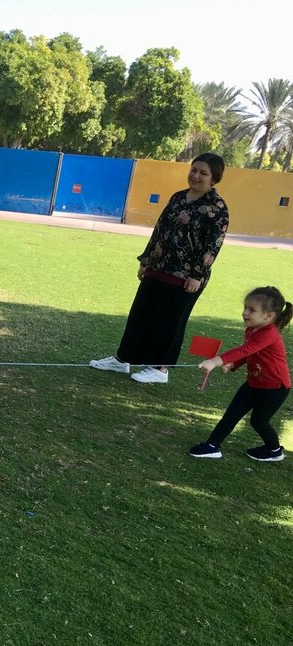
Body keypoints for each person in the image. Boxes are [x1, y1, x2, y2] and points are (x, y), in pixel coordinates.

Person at [90, 153, 230, 384]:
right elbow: (160, 230)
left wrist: (197, 275)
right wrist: (146, 261)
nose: (196, 176)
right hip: (159, 266)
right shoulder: (178, 197)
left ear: (214, 178)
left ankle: (159, 369)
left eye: (203, 173)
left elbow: (213, 245)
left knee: (169, 321)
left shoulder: (217, 208)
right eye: (194, 170)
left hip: (186, 275)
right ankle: (123, 359)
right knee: (140, 315)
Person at [189, 286, 291, 462]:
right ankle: (212, 447)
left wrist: (215, 361)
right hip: (254, 383)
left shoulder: (269, 333)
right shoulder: (252, 329)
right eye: (245, 307)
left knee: (258, 422)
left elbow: (245, 350)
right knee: (232, 414)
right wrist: (232, 364)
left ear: (269, 316)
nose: (245, 313)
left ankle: (274, 450)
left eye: (252, 310)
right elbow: (250, 352)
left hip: (274, 388)